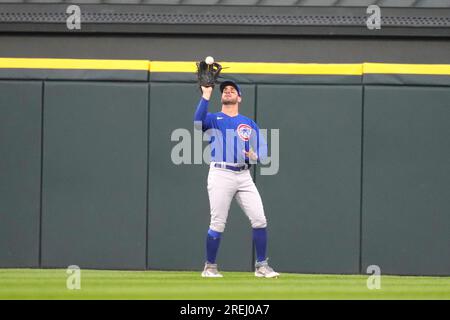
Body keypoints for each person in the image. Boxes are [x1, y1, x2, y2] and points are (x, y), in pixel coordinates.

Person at [193, 80, 279, 278]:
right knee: (218, 223)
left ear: (239, 97)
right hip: (221, 173)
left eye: (232, 90)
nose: (228, 91)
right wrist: (206, 95)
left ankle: (262, 266)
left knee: (259, 219)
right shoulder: (214, 118)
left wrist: (256, 156)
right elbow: (198, 123)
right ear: (221, 97)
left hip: (244, 175)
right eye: (225, 90)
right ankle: (210, 267)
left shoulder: (248, 123)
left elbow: (264, 148)